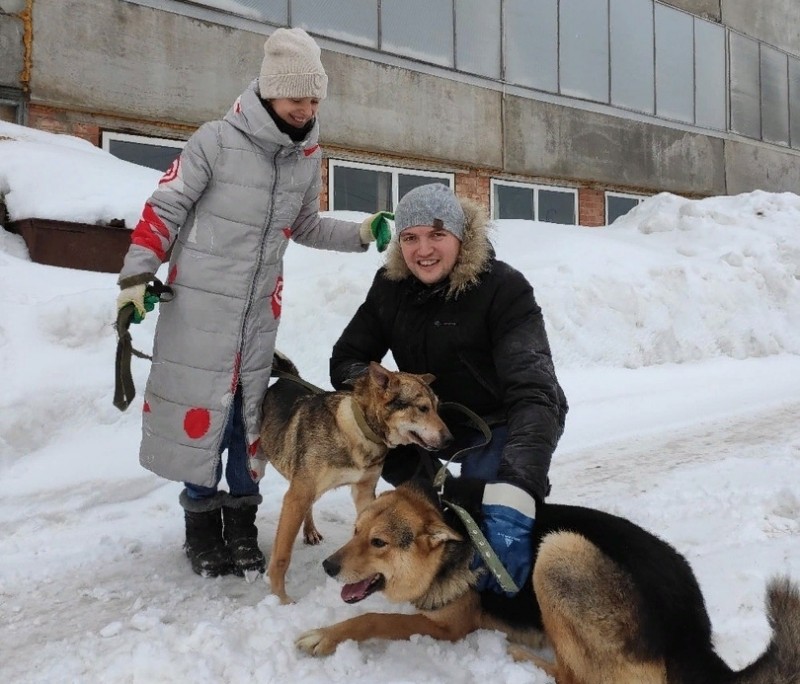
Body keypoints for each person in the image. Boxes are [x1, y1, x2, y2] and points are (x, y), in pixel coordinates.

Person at [115, 27, 391, 579]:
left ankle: (242, 524)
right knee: (204, 421)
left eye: (314, 100)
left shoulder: (305, 156)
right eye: (296, 98)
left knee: (248, 425)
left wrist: (360, 232)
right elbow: (165, 208)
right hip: (199, 310)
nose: (305, 110)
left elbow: (305, 225)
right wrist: (137, 276)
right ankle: (201, 526)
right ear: (268, 91)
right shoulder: (215, 141)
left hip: (258, 317)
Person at [329, 182, 568, 595]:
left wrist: (517, 485)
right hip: (420, 426)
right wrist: (387, 397)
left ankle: (510, 505)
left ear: (461, 235)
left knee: (487, 520)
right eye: (410, 238)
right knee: (429, 515)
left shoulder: (504, 289)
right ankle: (427, 506)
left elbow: (536, 394)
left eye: (437, 235)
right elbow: (346, 360)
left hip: (495, 424)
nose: (423, 250)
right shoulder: (391, 286)